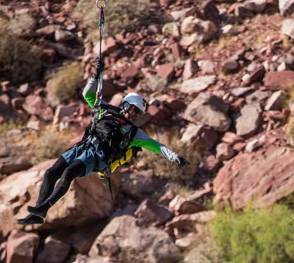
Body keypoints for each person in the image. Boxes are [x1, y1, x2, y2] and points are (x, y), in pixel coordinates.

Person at [17, 58, 189, 225]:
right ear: (125, 105)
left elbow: (157, 146)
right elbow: (88, 94)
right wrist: (95, 75)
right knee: (50, 173)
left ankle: (44, 208)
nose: (134, 115)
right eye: (133, 110)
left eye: (138, 114)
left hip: (98, 157)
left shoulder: (134, 133)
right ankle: (38, 212)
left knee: (69, 173)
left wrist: (175, 157)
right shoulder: (105, 111)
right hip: (83, 147)